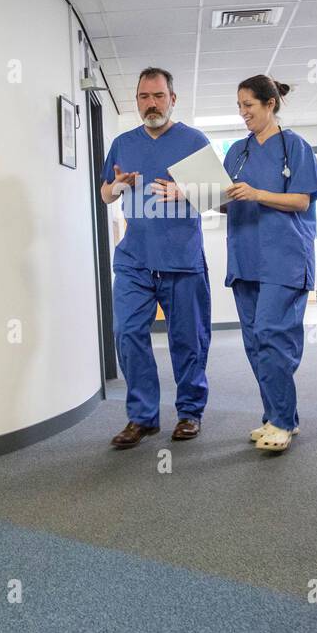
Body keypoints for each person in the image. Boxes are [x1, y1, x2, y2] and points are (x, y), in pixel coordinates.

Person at [101, 67, 212, 448]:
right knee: (128, 332)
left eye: (159, 96)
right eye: (144, 97)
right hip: (134, 259)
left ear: (172, 99)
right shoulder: (123, 143)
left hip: (181, 259)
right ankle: (143, 416)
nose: (152, 104)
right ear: (137, 101)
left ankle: (189, 413)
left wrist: (185, 193)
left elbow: (220, 195)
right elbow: (105, 193)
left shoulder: (193, 140)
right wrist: (116, 186)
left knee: (188, 340)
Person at [221, 75, 317, 452]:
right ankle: (278, 417)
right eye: (239, 106)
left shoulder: (295, 147)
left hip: (283, 258)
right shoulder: (237, 151)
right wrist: (196, 193)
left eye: (248, 105)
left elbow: (301, 200)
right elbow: (227, 198)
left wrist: (258, 194)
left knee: (271, 335)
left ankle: (281, 420)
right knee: (255, 342)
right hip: (246, 257)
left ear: (270, 104)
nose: (243, 113)